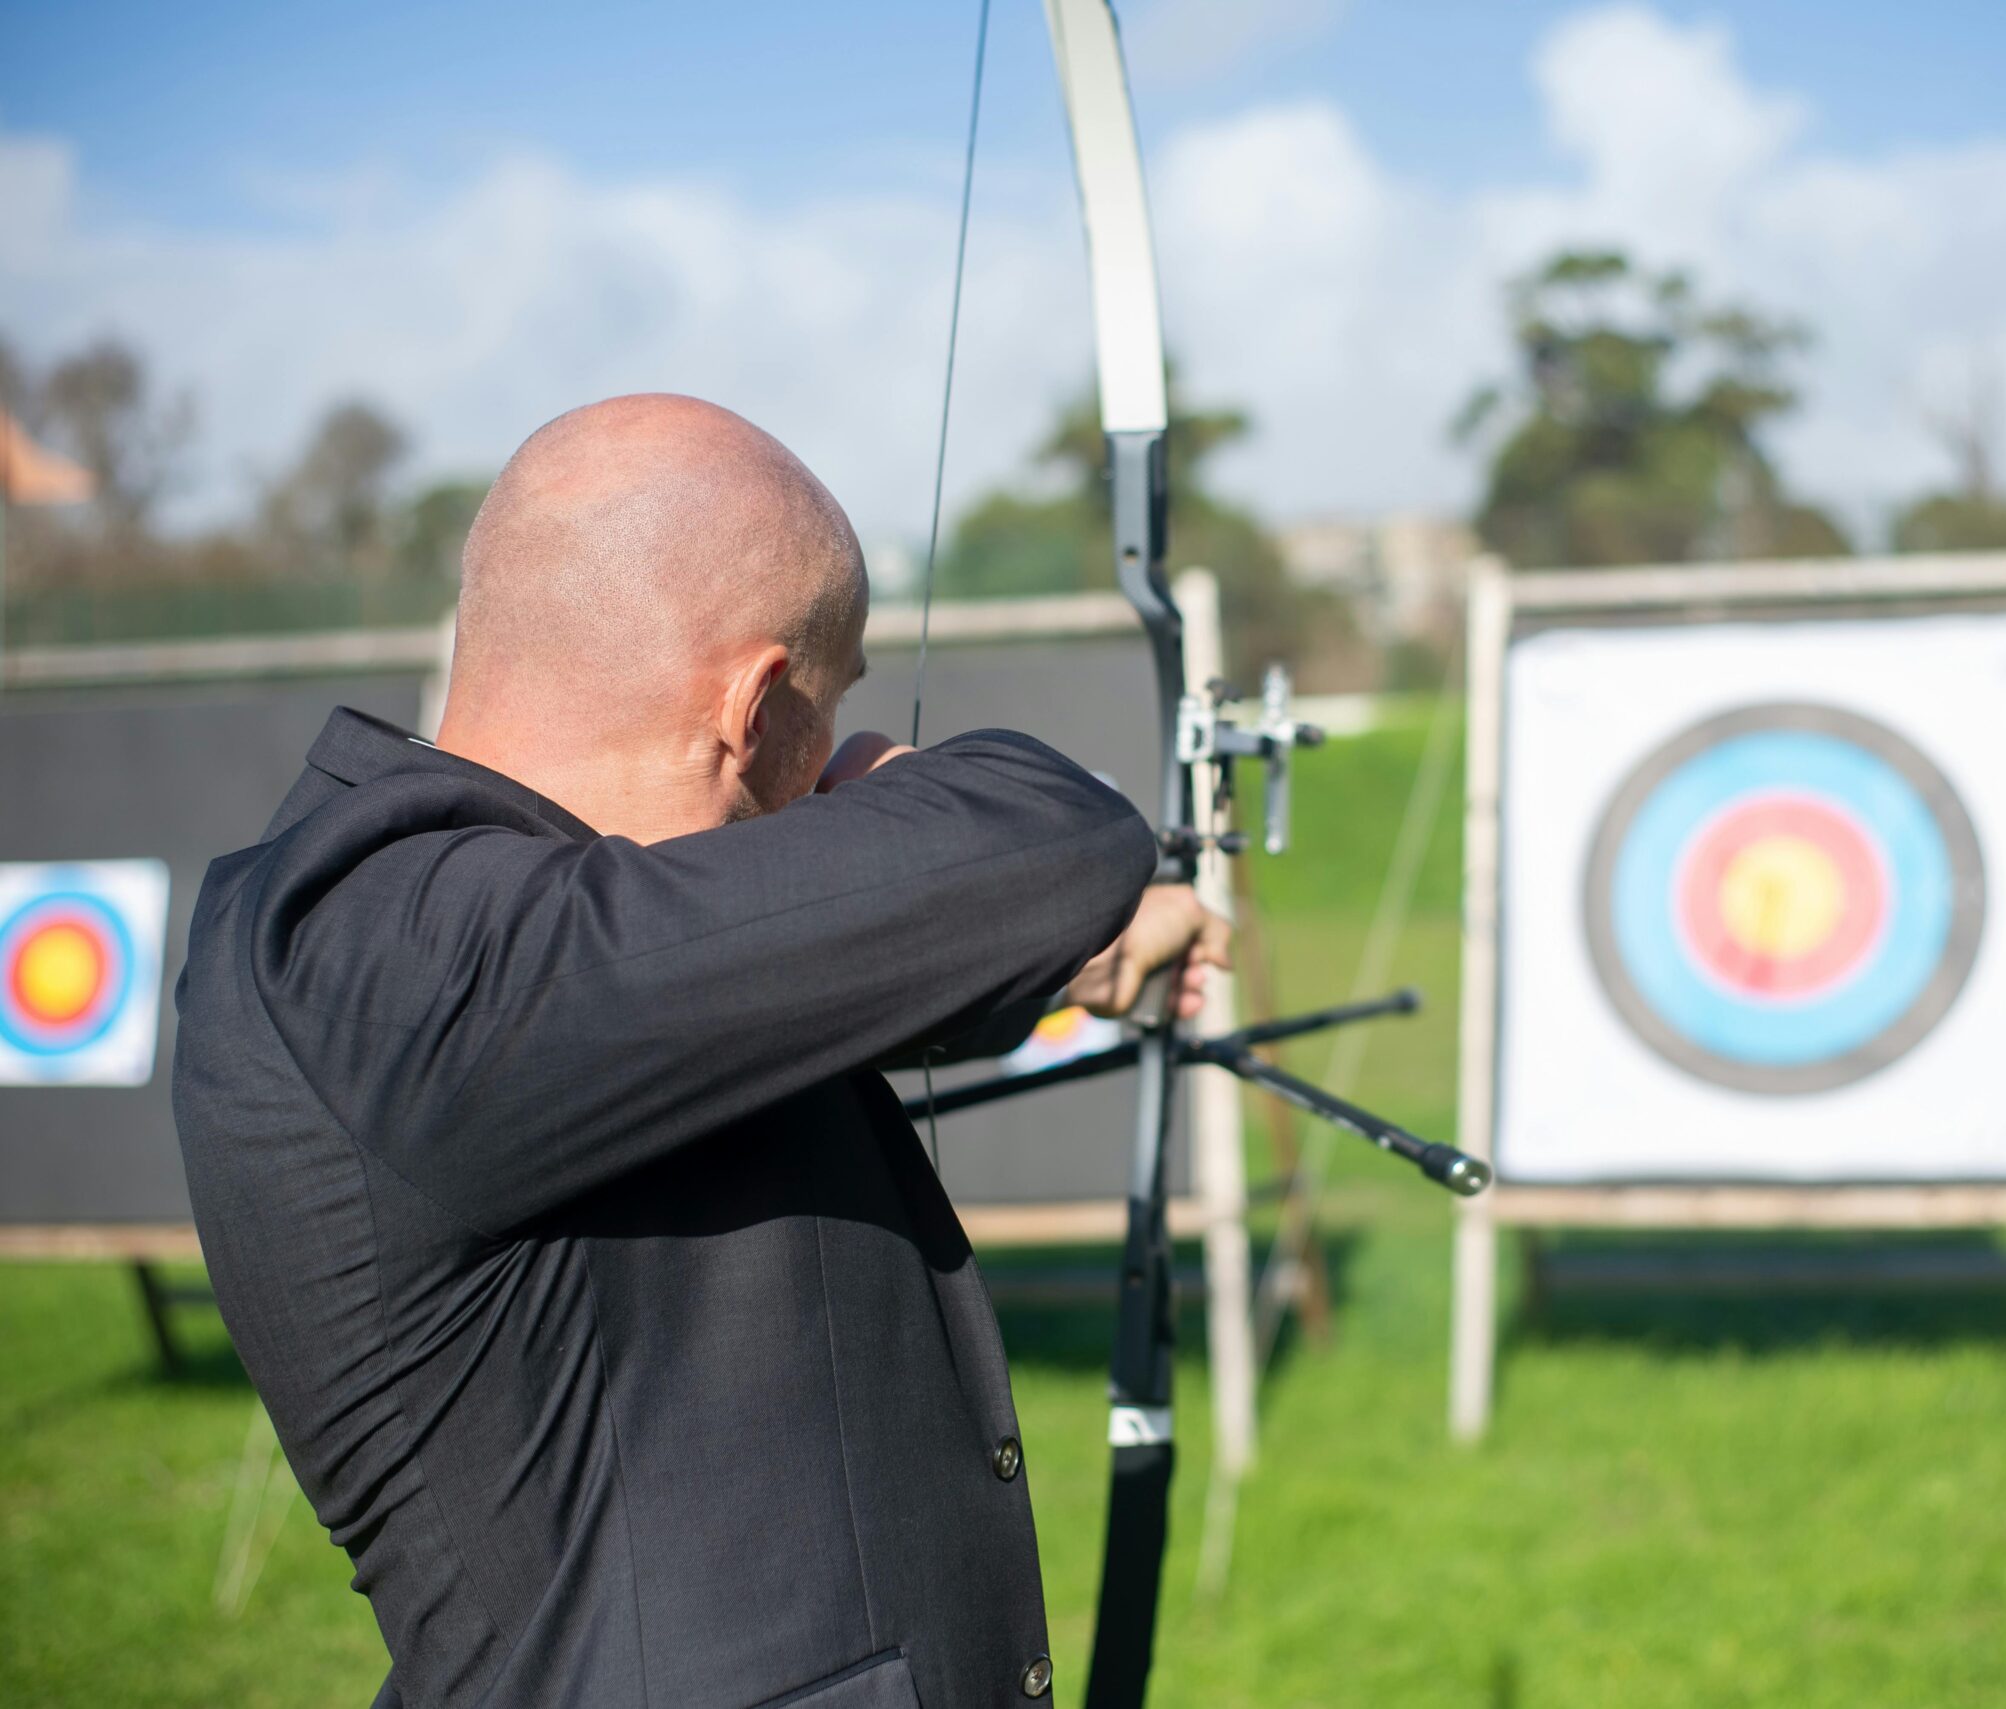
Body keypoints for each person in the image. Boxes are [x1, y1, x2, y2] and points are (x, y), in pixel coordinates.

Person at [172, 394, 1229, 1709]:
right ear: (756, 703)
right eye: (830, 709)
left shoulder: (465, 941)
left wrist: (1062, 963)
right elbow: (1049, 837)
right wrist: (902, 795)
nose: (826, 757)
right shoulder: (406, 949)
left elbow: (734, 995)